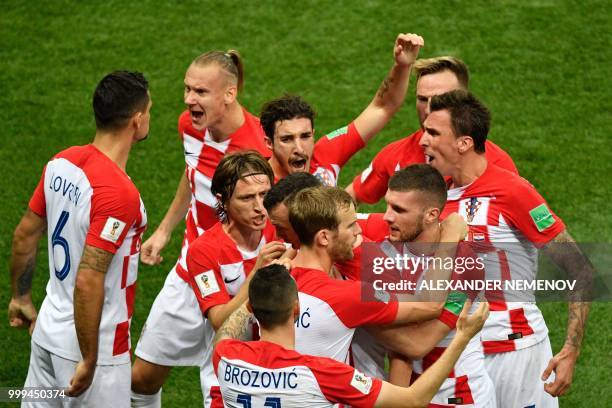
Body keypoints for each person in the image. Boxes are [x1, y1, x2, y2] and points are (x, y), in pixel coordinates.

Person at [420, 89, 592, 407]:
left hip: (518, 356)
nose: (422, 140)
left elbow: (579, 267)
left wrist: (571, 350)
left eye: (433, 133)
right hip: (460, 352)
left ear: (463, 143)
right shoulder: (437, 197)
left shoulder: (513, 191)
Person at [131, 50, 270, 407]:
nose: (190, 99)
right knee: (142, 380)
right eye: (187, 89)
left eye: (200, 92)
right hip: (191, 269)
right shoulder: (189, 127)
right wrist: (163, 231)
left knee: (229, 393)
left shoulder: (257, 151)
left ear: (230, 93)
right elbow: (194, 176)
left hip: (241, 279)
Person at [9, 71, 151, 407]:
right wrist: (89, 359)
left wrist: (20, 297)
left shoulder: (63, 161)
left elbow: (24, 235)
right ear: (137, 120)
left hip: (46, 333)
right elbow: (88, 280)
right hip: (93, 349)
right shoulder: (118, 193)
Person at [212, 264, 490, 407]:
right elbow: (414, 399)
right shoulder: (324, 374)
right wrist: (463, 336)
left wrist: (249, 304)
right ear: (296, 308)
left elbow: (224, 331)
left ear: (251, 309)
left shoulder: (226, 359)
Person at [285, 186, 467, 363]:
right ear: (324, 237)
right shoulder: (348, 295)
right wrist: (450, 236)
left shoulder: (268, 277)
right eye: (351, 226)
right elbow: (430, 304)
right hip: (326, 391)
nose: (359, 231)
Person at [185, 151, 286, 407]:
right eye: (247, 198)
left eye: (264, 195)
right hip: (229, 374)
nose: (260, 207)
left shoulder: (281, 230)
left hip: (279, 370)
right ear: (223, 201)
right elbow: (219, 320)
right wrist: (257, 273)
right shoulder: (204, 251)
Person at [347, 56, 517, 205]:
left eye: (439, 99)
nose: (428, 109)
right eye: (422, 99)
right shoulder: (396, 155)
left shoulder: (496, 163)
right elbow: (350, 197)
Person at [260, 33, 423, 186]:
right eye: (287, 139)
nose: (299, 148)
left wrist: (402, 66)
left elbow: (383, 107)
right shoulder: (256, 189)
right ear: (269, 143)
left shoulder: (325, 154)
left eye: (305, 136)